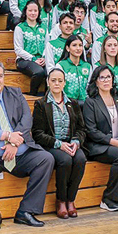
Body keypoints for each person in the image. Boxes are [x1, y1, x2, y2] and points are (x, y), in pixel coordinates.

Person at [0, 61, 54, 230]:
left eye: (0, 76)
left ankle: (25, 212)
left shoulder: (16, 93)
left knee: (46, 158)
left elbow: (26, 119)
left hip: (20, 154)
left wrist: (13, 142)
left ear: (4, 78)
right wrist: (6, 136)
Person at [80, 65, 118, 212]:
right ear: (96, 81)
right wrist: (113, 142)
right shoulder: (90, 102)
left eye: (108, 77)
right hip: (98, 145)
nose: (106, 80)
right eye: (102, 77)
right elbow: (91, 131)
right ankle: (108, 199)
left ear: (113, 79)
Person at [32, 68, 87, 219]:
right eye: (53, 80)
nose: (57, 83)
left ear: (64, 83)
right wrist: (59, 144)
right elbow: (38, 134)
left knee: (81, 159)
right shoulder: (41, 104)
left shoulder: (73, 104)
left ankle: (71, 200)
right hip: (52, 145)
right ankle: (61, 200)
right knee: (65, 160)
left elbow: (82, 129)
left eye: (60, 80)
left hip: (71, 143)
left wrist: (76, 142)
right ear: (48, 82)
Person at [14, 1, 48, 95]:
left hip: (41, 59)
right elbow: (18, 49)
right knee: (39, 72)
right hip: (24, 60)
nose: (33, 13)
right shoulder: (20, 28)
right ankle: (33, 95)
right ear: (25, 12)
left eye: (35, 10)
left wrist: (44, 57)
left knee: (51, 72)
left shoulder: (43, 27)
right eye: (30, 10)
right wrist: (33, 58)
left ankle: (47, 97)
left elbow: (47, 45)